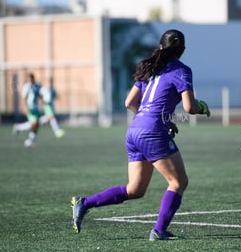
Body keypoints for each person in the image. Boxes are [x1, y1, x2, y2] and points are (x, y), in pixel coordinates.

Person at [71, 29, 210, 240]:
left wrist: (157, 120)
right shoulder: (182, 70)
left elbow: (129, 103)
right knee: (178, 182)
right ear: (182, 51)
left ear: (161, 47)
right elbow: (190, 107)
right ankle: (159, 230)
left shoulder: (149, 67)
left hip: (134, 130)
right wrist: (202, 107)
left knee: (135, 189)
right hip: (153, 132)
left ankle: (84, 203)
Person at [12, 73, 43, 147]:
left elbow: (40, 95)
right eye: (29, 79)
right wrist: (24, 107)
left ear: (33, 78)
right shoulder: (26, 87)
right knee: (34, 123)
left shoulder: (37, 86)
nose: (30, 80)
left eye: (31, 78)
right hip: (30, 108)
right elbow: (24, 98)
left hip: (36, 108)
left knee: (37, 125)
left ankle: (19, 128)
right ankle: (29, 140)